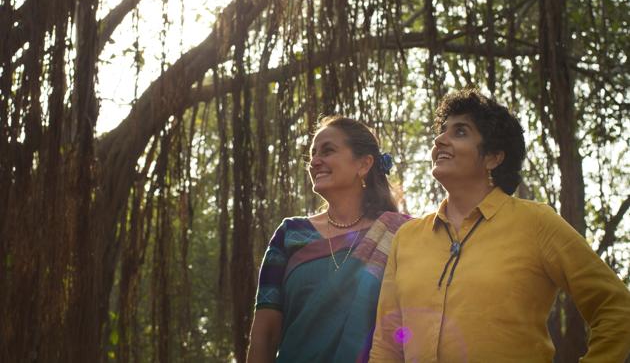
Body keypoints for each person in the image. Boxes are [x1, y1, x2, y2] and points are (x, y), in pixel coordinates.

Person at [369, 89, 630, 362]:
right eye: (442, 131)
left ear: (494, 157)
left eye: (460, 132)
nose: (439, 140)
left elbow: (615, 307)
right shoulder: (407, 238)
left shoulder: (536, 223)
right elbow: (388, 342)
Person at [247, 116, 411, 363]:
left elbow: (412, 324)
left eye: (328, 150)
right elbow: (265, 334)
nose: (314, 161)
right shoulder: (290, 235)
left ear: (364, 164)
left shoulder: (399, 234)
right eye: (312, 154)